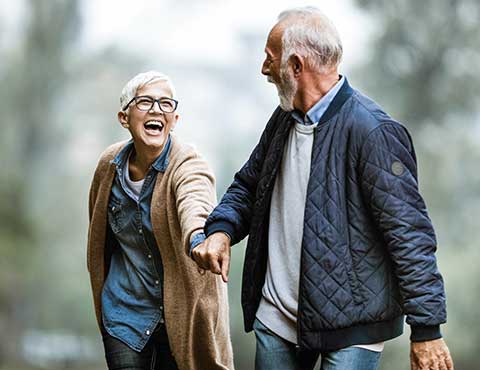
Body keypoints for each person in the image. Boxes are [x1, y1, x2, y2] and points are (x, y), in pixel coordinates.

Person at [192, 7, 454, 370]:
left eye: (270, 60)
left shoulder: (373, 132)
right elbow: (250, 185)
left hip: (354, 328)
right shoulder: (284, 118)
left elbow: (409, 235)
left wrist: (427, 329)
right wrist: (221, 230)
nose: (264, 70)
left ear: (296, 66)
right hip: (277, 319)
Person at [87, 71, 234, 370]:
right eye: (145, 102)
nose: (156, 110)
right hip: (123, 312)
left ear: (175, 120)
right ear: (124, 117)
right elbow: (99, 237)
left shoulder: (189, 163)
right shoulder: (109, 166)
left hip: (179, 315)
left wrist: (199, 239)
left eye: (166, 104)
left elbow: (196, 203)